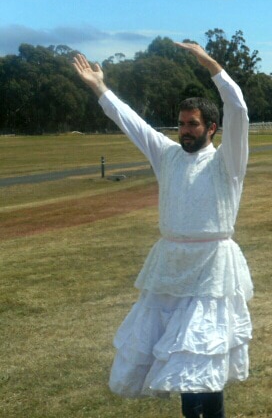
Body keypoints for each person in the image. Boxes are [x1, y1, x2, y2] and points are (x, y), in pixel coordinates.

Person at [73, 42, 253, 418]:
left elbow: (237, 107)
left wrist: (210, 64)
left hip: (212, 268)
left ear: (212, 128)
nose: (184, 131)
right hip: (170, 265)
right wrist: (99, 88)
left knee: (201, 354)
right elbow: (132, 123)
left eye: (193, 124)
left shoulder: (228, 162)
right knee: (181, 356)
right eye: (181, 124)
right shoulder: (167, 154)